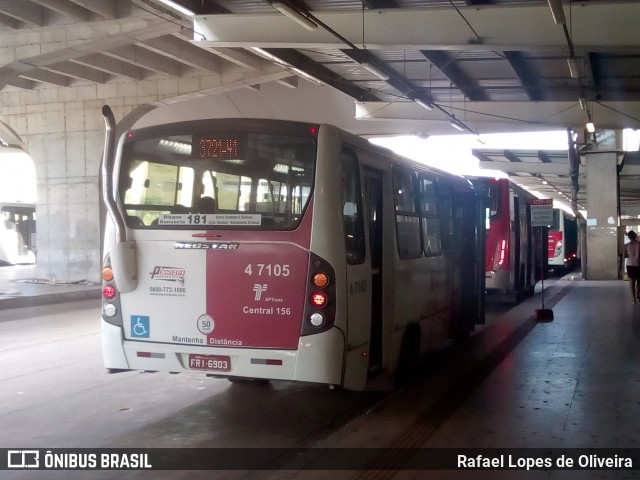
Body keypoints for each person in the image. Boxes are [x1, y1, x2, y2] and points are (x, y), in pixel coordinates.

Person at [625, 230, 640, 303]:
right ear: (635, 236)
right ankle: (638, 293)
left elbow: (625, 255)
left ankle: (633, 299)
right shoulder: (639, 245)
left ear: (629, 237)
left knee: (632, 282)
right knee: (639, 281)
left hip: (630, 265)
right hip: (638, 264)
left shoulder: (627, 245)